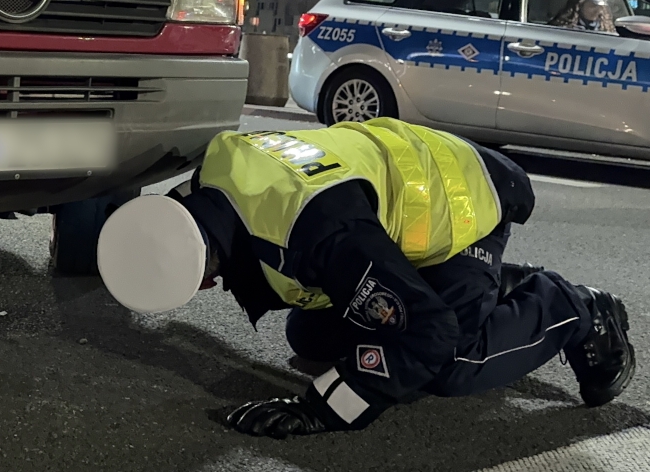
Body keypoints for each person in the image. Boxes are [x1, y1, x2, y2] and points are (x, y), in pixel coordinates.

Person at [96, 119, 635, 438]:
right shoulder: (208, 184)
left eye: (200, 282)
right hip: (397, 198)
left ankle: (576, 307)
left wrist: (322, 409)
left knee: (445, 363)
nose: (210, 290)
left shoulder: (318, 232)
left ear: (207, 269)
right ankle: (494, 287)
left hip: (467, 197)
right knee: (311, 338)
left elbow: (428, 332)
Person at [549, 0, 618, 34]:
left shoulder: (608, 29)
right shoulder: (560, 29)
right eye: (593, 6)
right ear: (579, 5)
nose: (598, 11)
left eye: (601, 7)